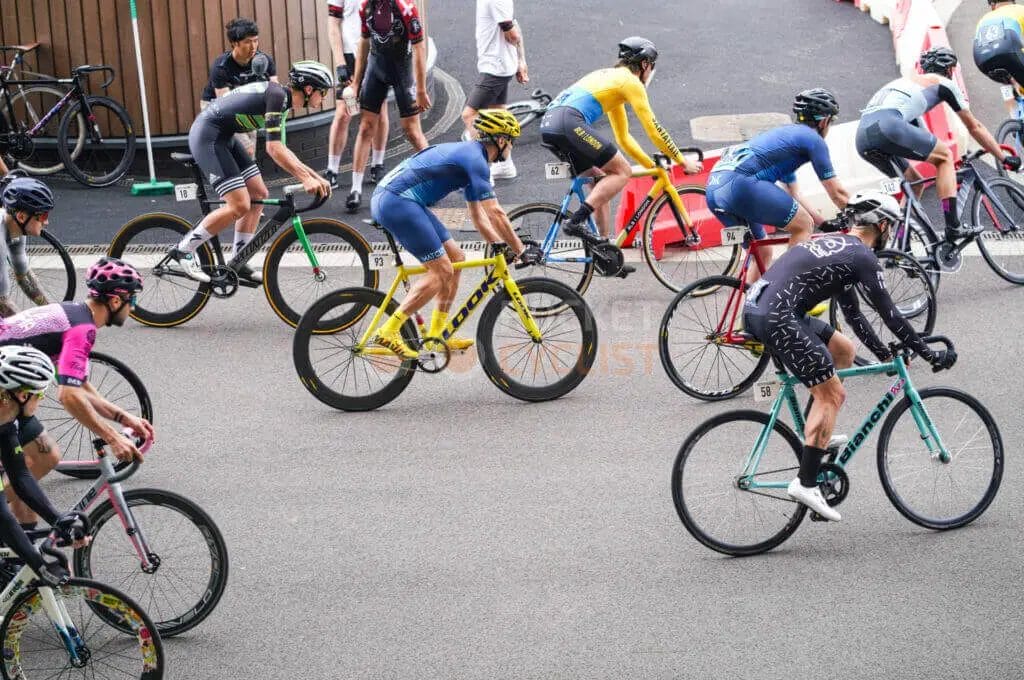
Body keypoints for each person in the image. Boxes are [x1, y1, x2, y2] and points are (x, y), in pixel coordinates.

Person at [742, 191, 956, 521]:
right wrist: (927, 352)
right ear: (882, 225)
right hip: (778, 316)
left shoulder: (840, 247)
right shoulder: (862, 257)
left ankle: (814, 435)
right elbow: (890, 315)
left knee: (843, 351)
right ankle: (807, 482)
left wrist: (884, 353)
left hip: (763, 308)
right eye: (892, 228)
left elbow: (855, 316)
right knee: (833, 394)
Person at [369, 109, 541, 358]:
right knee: (442, 271)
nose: (511, 147)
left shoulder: (472, 160)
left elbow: (478, 215)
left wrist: (498, 245)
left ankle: (437, 335)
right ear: (501, 140)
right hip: (397, 202)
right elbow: (496, 213)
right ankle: (389, 330)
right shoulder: (476, 161)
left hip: (401, 200)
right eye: (511, 141)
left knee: (457, 259)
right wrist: (521, 250)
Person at [0, 257, 153, 529]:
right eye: (133, 301)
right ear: (116, 301)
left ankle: (20, 558)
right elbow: (68, 396)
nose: (133, 307)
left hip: (9, 390)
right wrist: (112, 437)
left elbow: (79, 384)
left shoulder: (75, 312)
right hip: (7, 395)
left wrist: (123, 419)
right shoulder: (82, 330)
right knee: (45, 458)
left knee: (29, 468)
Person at [539, 36, 701, 274]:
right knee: (622, 171)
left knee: (600, 179)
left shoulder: (613, 80)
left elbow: (624, 137)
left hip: (551, 124)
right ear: (645, 64)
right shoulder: (630, 83)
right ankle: (575, 222)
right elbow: (654, 130)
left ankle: (604, 253)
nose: (652, 71)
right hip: (567, 122)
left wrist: (650, 166)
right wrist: (681, 160)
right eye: (652, 65)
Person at [171, 61, 334, 283]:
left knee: (258, 194)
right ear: (308, 89)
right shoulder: (277, 98)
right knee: (239, 205)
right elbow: (273, 149)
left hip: (225, 136)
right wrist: (305, 179)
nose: (324, 98)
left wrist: (315, 177)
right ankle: (183, 250)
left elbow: (282, 150)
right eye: (322, 92)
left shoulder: (283, 102)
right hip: (208, 137)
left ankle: (239, 260)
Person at [856, 46, 1020, 242]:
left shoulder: (906, 84)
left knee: (914, 185)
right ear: (950, 70)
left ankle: (900, 240)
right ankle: (953, 226)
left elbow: (922, 134)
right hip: (888, 126)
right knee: (945, 157)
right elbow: (974, 127)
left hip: (863, 138)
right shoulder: (943, 83)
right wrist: (1003, 156)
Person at [0, 345, 90, 585]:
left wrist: (58, 520)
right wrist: (39, 565)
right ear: (22, 395)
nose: (40, 400)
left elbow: (20, 477)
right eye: (39, 394)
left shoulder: (7, 422)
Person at [346, 0, 431, 214]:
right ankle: (355, 189)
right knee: (365, 127)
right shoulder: (365, 6)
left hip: (402, 67)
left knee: (412, 131)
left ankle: (434, 178)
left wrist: (421, 89)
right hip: (377, 65)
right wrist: (356, 82)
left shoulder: (405, 6)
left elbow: (420, 47)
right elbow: (364, 41)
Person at [324, 0, 390, 190]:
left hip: (376, 55)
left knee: (379, 110)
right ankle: (332, 169)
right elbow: (333, 24)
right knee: (344, 112)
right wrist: (339, 63)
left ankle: (377, 164)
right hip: (350, 57)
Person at [460, 0, 529, 180]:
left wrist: (520, 61)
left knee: (469, 115)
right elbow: (514, 24)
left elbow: (513, 34)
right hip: (499, 64)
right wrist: (520, 61)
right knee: (498, 113)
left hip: (495, 67)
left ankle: (483, 168)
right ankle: (505, 166)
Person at [0, 175, 57, 316]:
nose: (46, 222)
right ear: (21, 217)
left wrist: (53, 313)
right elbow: (2, 303)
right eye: (43, 216)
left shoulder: (15, 229)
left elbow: (24, 276)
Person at [974, 0, 1024, 114]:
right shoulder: (1020, 9)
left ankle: (1015, 120)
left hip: (981, 60)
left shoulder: (984, 18)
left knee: (1007, 81)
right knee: (1014, 65)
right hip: (1008, 53)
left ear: (992, 5)